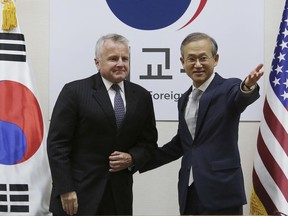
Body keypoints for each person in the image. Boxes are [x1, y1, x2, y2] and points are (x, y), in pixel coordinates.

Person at [140, 32, 264, 215]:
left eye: (203, 58)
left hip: (222, 192)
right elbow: (182, 144)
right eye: (191, 59)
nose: (197, 64)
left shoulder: (229, 88)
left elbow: (241, 97)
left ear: (215, 59)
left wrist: (247, 86)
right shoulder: (184, 100)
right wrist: (137, 161)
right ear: (182, 62)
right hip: (189, 190)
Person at [47, 33, 158, 216]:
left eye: (125, 58)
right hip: (77, 195)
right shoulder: (74, 92)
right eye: (113, 58)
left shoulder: (142, 96)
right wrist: (64, 188)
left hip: (118, 197)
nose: (121, 64)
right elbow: (57, 145)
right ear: (98, 62)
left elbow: (148, 143)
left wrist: (132, 158)